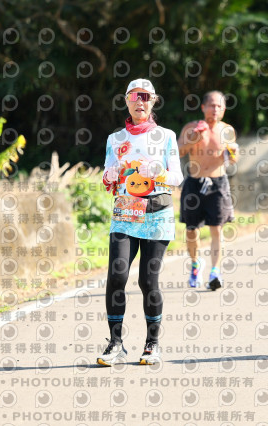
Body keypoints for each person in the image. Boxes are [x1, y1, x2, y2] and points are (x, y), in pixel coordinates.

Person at [97, 78, 183, 366]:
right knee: (117, 275)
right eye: (135, 96)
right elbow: (109, 174)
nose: (140, 102)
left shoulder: (167, 136)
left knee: (148, 280)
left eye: (146, 97)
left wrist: (158, 172)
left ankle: (152, 344)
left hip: (157, 213)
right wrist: (109, 176)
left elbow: (177, 177)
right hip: (125, 212)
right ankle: (115, 344)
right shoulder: (115, 139)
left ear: (153, 101)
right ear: (126, 101)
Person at [178, 91, 238, 290]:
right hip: (194, 183)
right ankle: (196, 265)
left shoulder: (227, 130)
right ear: (203, 107)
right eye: (212, 105)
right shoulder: (191, 128)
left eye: (219, 106)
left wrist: (233, 153)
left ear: (224, 110)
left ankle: (215, 271)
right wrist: (193, 139)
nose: (215, 109)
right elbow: (178, 151)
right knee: (191, 231)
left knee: (216, 229)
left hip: (218, 183)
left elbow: (232, 159)